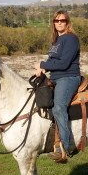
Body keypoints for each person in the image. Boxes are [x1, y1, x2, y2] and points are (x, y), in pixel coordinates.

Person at [33, 10, 81, 163]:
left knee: (59, 107)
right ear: (53, 23)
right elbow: (53, 62)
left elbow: (64, 63)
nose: (59, 23)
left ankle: (64, 149)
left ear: (68, 22)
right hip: (55, 78)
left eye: (63, 20)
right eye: (56, 20)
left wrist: (42, 64)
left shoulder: (71, 39)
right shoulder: (56, 41)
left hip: (68, 77)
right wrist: (43, 69)